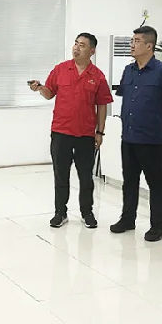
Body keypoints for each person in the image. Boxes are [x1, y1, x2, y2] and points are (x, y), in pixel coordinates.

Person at [30, 33, 113, 228]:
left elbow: (102, 105)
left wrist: (100, 132)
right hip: (61, 132)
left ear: (92, 51)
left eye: (82, 45)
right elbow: (49, 93)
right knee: (61, 175)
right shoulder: (61, 69)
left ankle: (87, 212)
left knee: (86, 177)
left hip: (85, 134)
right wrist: (40, 88)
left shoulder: (98, 76)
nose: (76, 48)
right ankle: (60, 212)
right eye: (76, 44)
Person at [110, 25, 162, 242]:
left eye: (137, 41)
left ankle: (159, 227)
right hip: (128, 136)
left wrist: (157, 119)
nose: (132, 45)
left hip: (151, 138)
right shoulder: (128, 70)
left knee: (155, 182)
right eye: (132, 41)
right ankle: (127, 219)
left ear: (149, 46)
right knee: (129, 180)